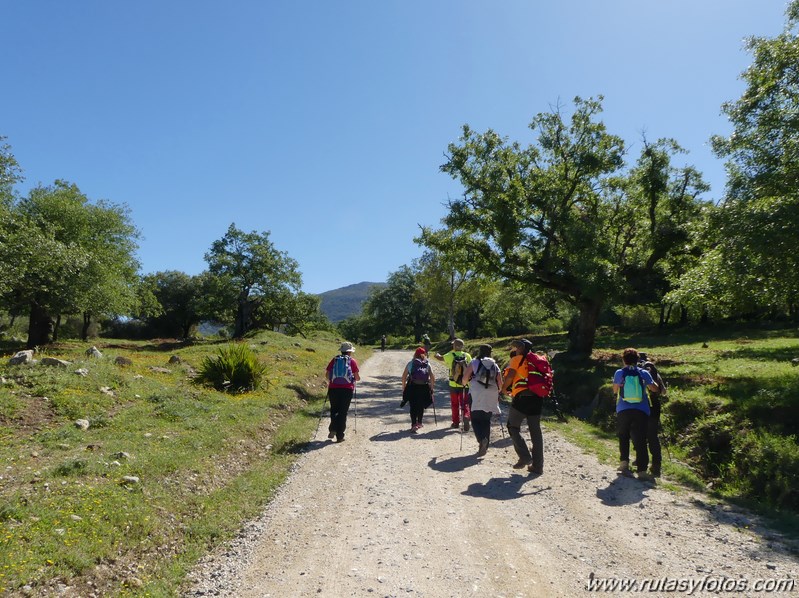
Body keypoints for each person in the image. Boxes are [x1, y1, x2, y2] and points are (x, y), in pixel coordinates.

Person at [612, 348, 659, 480]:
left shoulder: (619, 372)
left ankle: (624, 463)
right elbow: (653, 388)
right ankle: (642, 470)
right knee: (641, 439)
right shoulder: (643, 372)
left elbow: (615, 390)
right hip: (642, 409)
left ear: (623, 359)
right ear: (637, 360)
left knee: (623, 435)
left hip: (623, 408)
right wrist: (654, 382)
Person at [501, 339, 544, 474]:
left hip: (522, 398)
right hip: (537, 398)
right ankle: (538, 466)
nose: (514, 349)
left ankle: (525, 456)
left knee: (512, 426)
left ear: (520, 348)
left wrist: (503, 388)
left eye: (515, 347)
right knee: (535, 432)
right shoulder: (539, 360)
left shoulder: (517, 359)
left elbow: (511, 375)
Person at [463, 344, 503, 457]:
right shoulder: (494, 365)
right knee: (486, 419)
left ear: (479, 351)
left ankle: (481, 440)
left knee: (475, 418)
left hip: (476, 392)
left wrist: (464, 383)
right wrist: (497, 392)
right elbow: (500, 383)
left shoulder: (474, 362)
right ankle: (485, 440)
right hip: (491, 393)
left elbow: (465, 379)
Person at [325, 342, 361, 443]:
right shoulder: (352, 361)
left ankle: (333, 428)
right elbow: (357, 377)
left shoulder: (334, 359)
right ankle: (340, 436)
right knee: (342, 412)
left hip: (333, 389)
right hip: (347, 389)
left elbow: (327, 375)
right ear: (349, 352)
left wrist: (333, 380)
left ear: (341, 350)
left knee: (334, 410)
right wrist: (354, 378)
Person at [434, 338, 472, 431]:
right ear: (462, 346)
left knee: (455, 404)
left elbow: (439, 357)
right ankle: (466, 415)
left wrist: (436, 354)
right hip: (465, 384)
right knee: (465, 403)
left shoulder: (450, 355)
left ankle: (455, 423)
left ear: (454, 346)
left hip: (453, 384)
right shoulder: (467, 356)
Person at [641, 360, 667, 477]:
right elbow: (664, 392)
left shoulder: (638, 371)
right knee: (652, 435)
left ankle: (640, 461)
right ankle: (656, 464)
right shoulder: (655, 373)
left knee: (639, 434)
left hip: (641, 406)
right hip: (655, 407)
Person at [401, 347, 436, 433]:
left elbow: (404, 377)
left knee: (413, 406)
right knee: (421, 404)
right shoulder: (427, 364)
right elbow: (432, 377)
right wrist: (431, 388)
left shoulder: (411, 363)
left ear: (415, 354)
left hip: (412, 386)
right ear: (424, 355)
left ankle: (413, 425)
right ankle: (419, 422)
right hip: (424, 387)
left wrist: (404, 387)